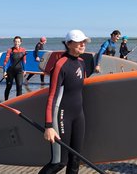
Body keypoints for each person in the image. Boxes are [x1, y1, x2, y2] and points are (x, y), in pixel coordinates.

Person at [39, 30, 90, 174]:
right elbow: (52, 96)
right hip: (61, 115)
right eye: (78, 41)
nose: (82, 44)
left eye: (84, 41)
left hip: (79, 115)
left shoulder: (82, 62)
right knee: (59, 162)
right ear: (68, 44)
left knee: (75, 160)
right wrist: (48, 126)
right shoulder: (61, 64)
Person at [3, 36, 26, 101]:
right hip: (10, 71)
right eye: (15, 41)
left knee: (19, 86)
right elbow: (6, 62)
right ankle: (6, 101)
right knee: (9, 86)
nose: (17, 43)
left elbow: (24, 61)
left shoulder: (23, 50)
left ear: (20, 42)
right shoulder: (10, 50)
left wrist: (25, 70)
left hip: (19, 71)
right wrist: (4, 71)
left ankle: (18, 101)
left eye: (18, 42)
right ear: (13, 42)